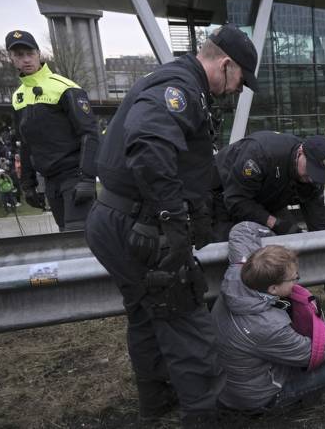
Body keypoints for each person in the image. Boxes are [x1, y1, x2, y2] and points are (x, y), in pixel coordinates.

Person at [84, 23, 258, 428]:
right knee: (187, 320)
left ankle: (155, 406)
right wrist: (173, 220)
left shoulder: (177, 82)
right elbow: (148, 143)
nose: (237, 91)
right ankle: (204, 416)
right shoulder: (180, 87)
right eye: (240, 81)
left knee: (147, 316)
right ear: (226, 65)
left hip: (115, 220)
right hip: (139, 227)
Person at [212, 222, 325, 413]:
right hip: (259, 396)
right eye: (293, 278)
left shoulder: (238, 273)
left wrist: (275, 242)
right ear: (273, 289)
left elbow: (242, 229)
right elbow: (312, 355)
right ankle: (299, 399)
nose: (296, 280)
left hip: (234, 378)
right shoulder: (269, 326)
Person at [212, 131, 325, 307]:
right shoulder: (260, 153)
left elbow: (318, 228)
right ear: (300, 153)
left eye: (317, 174)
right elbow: (236, 201)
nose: (312, 178)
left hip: (267, 197)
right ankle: (223, 307)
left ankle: (276, 301)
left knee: (284, 247)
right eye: (310, 171)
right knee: (227, 254)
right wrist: (274, 223)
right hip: (223, 196)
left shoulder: (313, 176)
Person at [6, 29, 99, 231]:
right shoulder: (18, 97)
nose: (26, 59)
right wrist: (28, 185)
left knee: (79, 238)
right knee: (64, 238)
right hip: (50, 182)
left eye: (30, 53)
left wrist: (87, 178)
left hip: (75, 175)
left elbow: (90, 134)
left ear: (39, 54)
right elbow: (25, 143)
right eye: (19, 55)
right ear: (12, 59)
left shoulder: (65, 87)